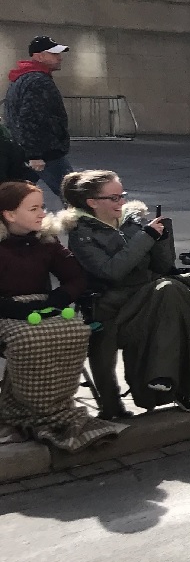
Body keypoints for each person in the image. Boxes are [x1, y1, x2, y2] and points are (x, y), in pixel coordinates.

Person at [61, 170, 190, 415]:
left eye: (122, 195)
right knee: (172, 292)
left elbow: (163, 268)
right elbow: (112, 271)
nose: (121, 202)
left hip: (151, 298)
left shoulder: (131, 224)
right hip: (114, 307)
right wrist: (147, 236)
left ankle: (181, 384)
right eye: (114, 198)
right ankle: (165, 380)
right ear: (92, 202)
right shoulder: (83, 234)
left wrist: (162, 237)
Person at [0, 181, 122, 451]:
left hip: (41, 305)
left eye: (41, 206)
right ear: (9, 214)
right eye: (33, 208)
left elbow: (75, 277)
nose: (43, 213)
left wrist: (60, 297)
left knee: (76, 330)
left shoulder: (46, 240)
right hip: (5, 310)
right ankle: (28, 411)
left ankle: (54, 408)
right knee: (27, 338)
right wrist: (14, 310)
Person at [4, 37, 74, 197]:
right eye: (54, 54)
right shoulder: (38, 81)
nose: (59, 57)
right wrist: (35, 155)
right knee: (73, 195)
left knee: (16, 196)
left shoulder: (21, 78)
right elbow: (30, 118)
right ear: (39, 56)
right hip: (45, 152)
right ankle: (83, 221)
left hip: (27, 150)